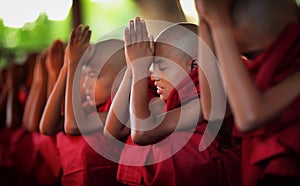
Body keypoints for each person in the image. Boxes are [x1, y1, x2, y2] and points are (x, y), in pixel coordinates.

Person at [105, 17, 240, 186]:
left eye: (162, 66)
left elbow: (143, 133)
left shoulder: (205, 102)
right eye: (151, 66)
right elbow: (113, 132)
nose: (153, 76)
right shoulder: (162, 102)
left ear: (194, 67)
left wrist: (140, 69)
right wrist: (133, 67)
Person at [195, 0, 300, 185]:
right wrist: (206, 21)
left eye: (252, 55)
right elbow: (213, 110)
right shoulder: (258, 76)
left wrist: (219, 22)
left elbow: (250, 116)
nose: (257, 65)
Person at [40, 25, 126, 186]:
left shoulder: (124, 112)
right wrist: (66, 67)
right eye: (83, 74)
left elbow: (73, 126)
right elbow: (47, 127)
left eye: (93, 76)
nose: (85, 83)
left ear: (122, 79)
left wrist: (74, 65)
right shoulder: (87, 108)